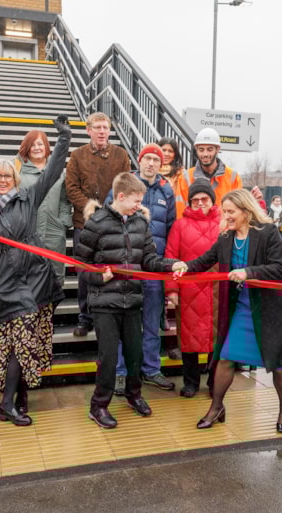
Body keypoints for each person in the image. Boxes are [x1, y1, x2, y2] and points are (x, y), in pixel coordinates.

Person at [0, 117, 72, 426]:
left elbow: (52, 172)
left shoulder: (28, 197)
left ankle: (15, 400)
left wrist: (63, 137)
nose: (2, 180)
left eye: (7, 175)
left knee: (28, 337)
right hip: (2, 280)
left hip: (34, 276)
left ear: (15, 178)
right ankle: (9, 402)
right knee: (13, 339)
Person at [174, 189, 282, 431]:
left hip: (269, 309)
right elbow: (205, 260)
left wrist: (249, 272)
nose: (226, 216)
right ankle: (216, 407)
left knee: (277, 363)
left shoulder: (266, 233)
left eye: (231, 212)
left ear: (246, 211)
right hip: (240, 308)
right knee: (225, 358)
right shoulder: (226, 237)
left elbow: (278, 268)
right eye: (224, 211)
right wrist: (184, 266)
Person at [75, 172, 184, 429]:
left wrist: (172, 265)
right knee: (109, 358)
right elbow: (81, 265)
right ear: (120, 196)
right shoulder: (96, 223)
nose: (139, 206)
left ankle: (134, 395)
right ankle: (99, 405)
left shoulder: (139, 223)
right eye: (136, 201)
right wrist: (98, 278)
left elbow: (149, 260)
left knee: (135, 355)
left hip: (133, 300)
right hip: (104, 303)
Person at [108, 144, 176, 395]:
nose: (151, 163)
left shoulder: (166, 190)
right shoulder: (124, 183)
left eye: (156, 160)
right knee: (124, 322)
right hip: (127, 266)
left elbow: (171, 228)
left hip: (154, 267)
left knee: (151, 322)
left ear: (161, 164)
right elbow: (108, 216)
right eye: (147, 158)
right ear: (140, 160)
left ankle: (151, 369)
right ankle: (120, 372)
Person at [65, 112, 131, 337]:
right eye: (98, 127)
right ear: (88, 130)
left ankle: (107, 315)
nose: (102, 131)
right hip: (84, 223)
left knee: (111, 271)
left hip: (113, 224)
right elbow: (71, 188)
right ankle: (85, 318)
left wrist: (110, 210)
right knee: (85, 273)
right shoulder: (77, 156)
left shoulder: (121, 155)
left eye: (105, 127)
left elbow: (125, 186)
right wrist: (91, 209)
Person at [165, 179, 221, 397]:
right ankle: (191, 382)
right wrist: (171, 289)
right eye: (195, 200)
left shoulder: (224, 222)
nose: (199, 203)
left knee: (216, 339)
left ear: (211, 200)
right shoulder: (179, 225)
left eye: (204, 199)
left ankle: (215, 382)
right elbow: (171, 256)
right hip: (189, 291)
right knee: (188, 339)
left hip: (218, 289)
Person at [16, 129, 73, 287]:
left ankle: (49, 311)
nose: (36, 148)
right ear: (26, 147)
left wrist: (63, 222)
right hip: (27, 232)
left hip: (53, 232)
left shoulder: (58, 173)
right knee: (28, 278)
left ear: (47, 147)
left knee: (55, 277)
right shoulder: (16, 172)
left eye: (40, 144)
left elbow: (64, 200)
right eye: (32, 144)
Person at [173, 127, 243, 218]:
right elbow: (180, 212)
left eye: (209, 149)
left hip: (224, 229)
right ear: (196, 150)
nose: (205, 154)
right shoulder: (185, 177)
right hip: (195, 230)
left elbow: (238, 211)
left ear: (217, 149)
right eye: (201, 150)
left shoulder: (233, 177)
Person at [158, 136, 187, 217]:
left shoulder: (180, 174)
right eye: (163, 150)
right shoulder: (150, 171)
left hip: (172, 214)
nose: (166, 154)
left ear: (175, 155)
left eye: (170, 151)